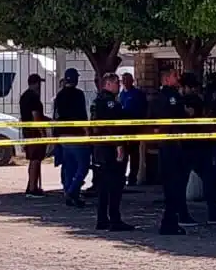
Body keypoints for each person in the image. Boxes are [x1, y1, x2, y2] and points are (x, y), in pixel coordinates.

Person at [181, 73, 216, 224]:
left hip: (190, 145)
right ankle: (211, 213)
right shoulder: (197, 100)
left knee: (184, 181)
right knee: (206, 178)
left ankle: (184, 214)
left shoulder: (189, 100)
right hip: (198, 144)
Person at [149, 67, 193, 234]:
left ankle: (171, 221)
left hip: (165, 145)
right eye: (175, 75)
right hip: (173, 145)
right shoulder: (171, 96)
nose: (178, 77)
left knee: (171, 186)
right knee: (175, 185)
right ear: (166, 79)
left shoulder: (156, 97)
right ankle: (170, 222)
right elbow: (178, 116)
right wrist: (187, 113)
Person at [89, 72, 134, 232]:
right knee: (115, 184)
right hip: (110, 148)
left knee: (103, 185)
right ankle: (115, 219)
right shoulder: (111, 104)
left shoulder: (96, 101)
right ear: (108, 84)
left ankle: (102, 219)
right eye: (117, 83)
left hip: (99, 147)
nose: (119, 86)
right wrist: (119, 145)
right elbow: (114, 126)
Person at [53, 68, 89, 207]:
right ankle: (73, 191)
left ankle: (68, 190)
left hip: (63, 136)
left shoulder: (59, 95)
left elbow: (56, 115)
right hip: (76, 135)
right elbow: (82, 114)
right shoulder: (79, 94)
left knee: (68, 166)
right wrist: (86, 131)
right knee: (83, 166)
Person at [18, 74, 48, 197]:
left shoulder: (24, 96)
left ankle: (31, 185)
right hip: (34, 132)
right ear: (35, 83)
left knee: (32, 160)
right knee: (36, 160)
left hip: (27, 131)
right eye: (39, 83)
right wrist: (42, 132)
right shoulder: (34, 98)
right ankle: (32, 188)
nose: (40, 86)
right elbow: (36, 116)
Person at [118, 71, 147, 185]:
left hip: (134, 128)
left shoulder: (137, 94)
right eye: (123, 80)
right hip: (123, 129)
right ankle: (122, 176)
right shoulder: (121, 94)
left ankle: (132, 178)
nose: (125, 82)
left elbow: (143, 109)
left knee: (134, 154)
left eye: (127, 80)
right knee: (123, 154)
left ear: (132, 81)